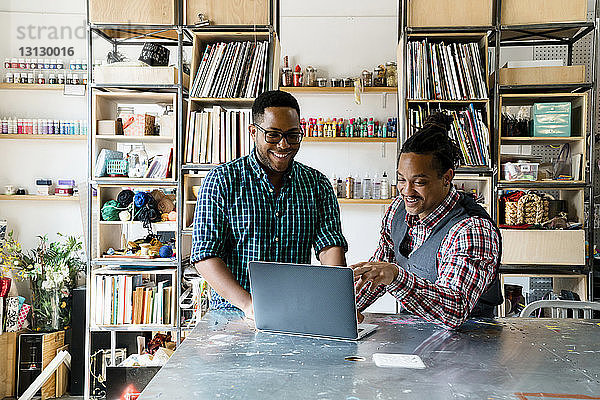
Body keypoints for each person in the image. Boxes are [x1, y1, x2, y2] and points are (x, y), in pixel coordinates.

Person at [191, 90, 348, 318]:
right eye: (273, 135)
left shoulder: (317, 185)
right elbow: (205, 255)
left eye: (293, 135)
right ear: (253, 132)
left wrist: (336, 300)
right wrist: (248, 304)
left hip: (296, 309)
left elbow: (330, 246)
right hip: (233, 312)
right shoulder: (222, 181)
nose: (284, 145)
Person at [352, 113, 502, 329]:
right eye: (401, 180)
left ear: (447, 178)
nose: (407, 191)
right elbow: (378, 272)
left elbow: (455, 309)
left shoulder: (471, 229)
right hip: (414, 336)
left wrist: (395, 276)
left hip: (470, 344)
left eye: (419, 182)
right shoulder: (398, 210)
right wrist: (345, 309)